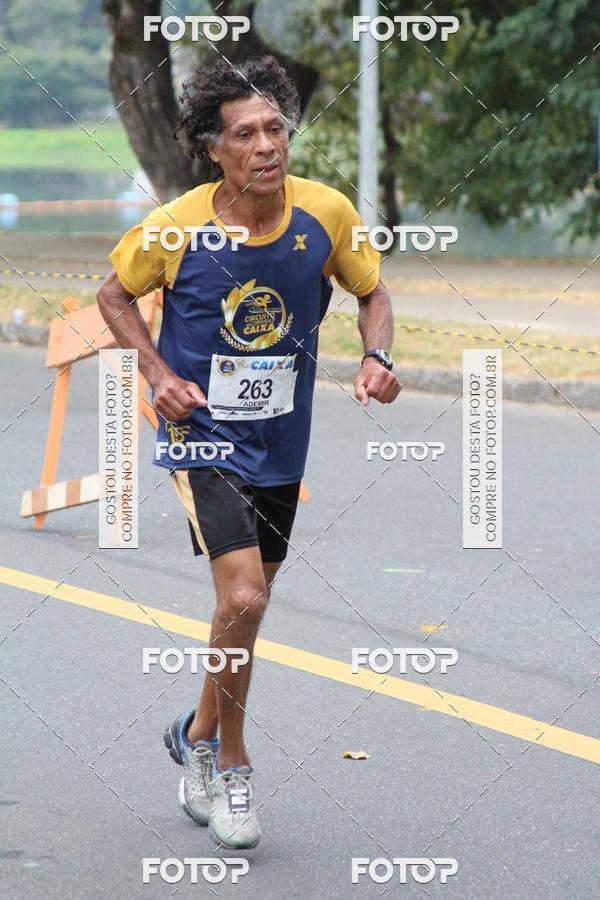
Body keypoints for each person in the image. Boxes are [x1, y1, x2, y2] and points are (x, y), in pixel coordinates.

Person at [97, 55, 401, 851]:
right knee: (246, 599)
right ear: (214, 149)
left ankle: (196, 733)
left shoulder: (327, 214)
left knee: (246, 607)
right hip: (200, 435)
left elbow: (372, 292)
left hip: (280, 440)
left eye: (276, 129)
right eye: (246, 134)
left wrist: (379, 359)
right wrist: (157, 374)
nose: (267, 145)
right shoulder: (176, 226)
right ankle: (232, 764)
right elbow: (112, 295)